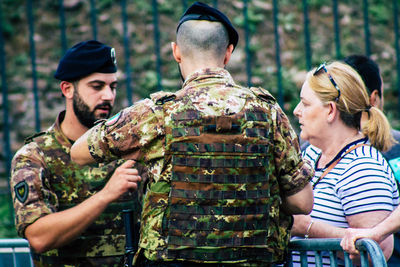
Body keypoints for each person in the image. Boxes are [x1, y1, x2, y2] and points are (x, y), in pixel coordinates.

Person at [70, 2, 314, 266]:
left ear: (176, 52)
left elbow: (79, 152)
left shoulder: (156, 114)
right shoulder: (268, 112)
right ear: (228, 53)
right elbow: (302, 203)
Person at [10, 40, 141, 266]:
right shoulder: (34, 157)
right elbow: (39, 237)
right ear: (67, 89)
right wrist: (106, 195)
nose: (109, 96)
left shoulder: (127, 149)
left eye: (113, 86)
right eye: (97, 86)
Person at [290, 61, 399, 265]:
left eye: (305, 104)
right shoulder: (312, 153)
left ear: (331, 110)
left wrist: (306, 228)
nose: (297, 111)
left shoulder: (363, 168)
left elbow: (376, 252)